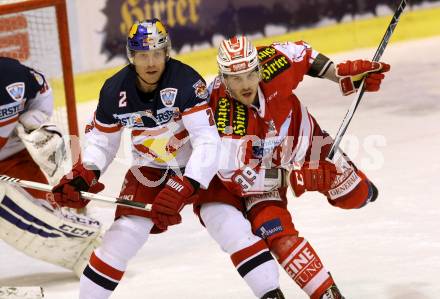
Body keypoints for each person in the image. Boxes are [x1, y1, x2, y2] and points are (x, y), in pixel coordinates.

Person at [194, 36, 390, 298]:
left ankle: (364, 191)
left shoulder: (274, 62)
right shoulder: (221, 119)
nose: (245, 85)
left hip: (305, 137)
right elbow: (238, 180)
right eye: (235, 79)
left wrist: (340, 74)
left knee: (355, 196)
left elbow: (303, 53)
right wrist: (292, 178)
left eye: (250, 75)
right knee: (276, 231)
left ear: (259, 68)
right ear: (224, 78)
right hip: (261, 169)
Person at [51, 19, 221, 298]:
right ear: (132, 56)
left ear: (166, 52)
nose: (151, 62)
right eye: (143, 55)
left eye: (157, 53)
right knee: (120, 239)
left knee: (229, 224)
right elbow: (102, 141)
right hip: (150, 171)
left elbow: (207, 141)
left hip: (200, 170)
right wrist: (85, 174)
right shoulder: (114, 90)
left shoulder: (187, 82)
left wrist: (187, 183)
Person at [0, 57, 101, 278]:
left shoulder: (13, 77)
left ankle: (82, 247)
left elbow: (41, 88)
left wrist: (34, 119)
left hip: (11, 155)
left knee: (46, 214)